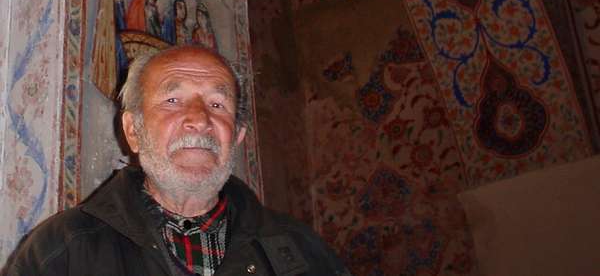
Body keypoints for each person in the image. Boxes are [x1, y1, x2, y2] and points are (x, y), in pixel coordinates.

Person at [2, 46, 351, 275]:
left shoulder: (305, 252)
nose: (199, 119)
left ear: (238, 136)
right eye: (172, 100)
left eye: (217, 104)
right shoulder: (60, 252)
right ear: (133, 130)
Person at [91, 0, 130, 99]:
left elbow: (124, 14)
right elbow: (107, 11)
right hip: (111, 29)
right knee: (119, 49)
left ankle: (121, 87)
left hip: (120, 28)